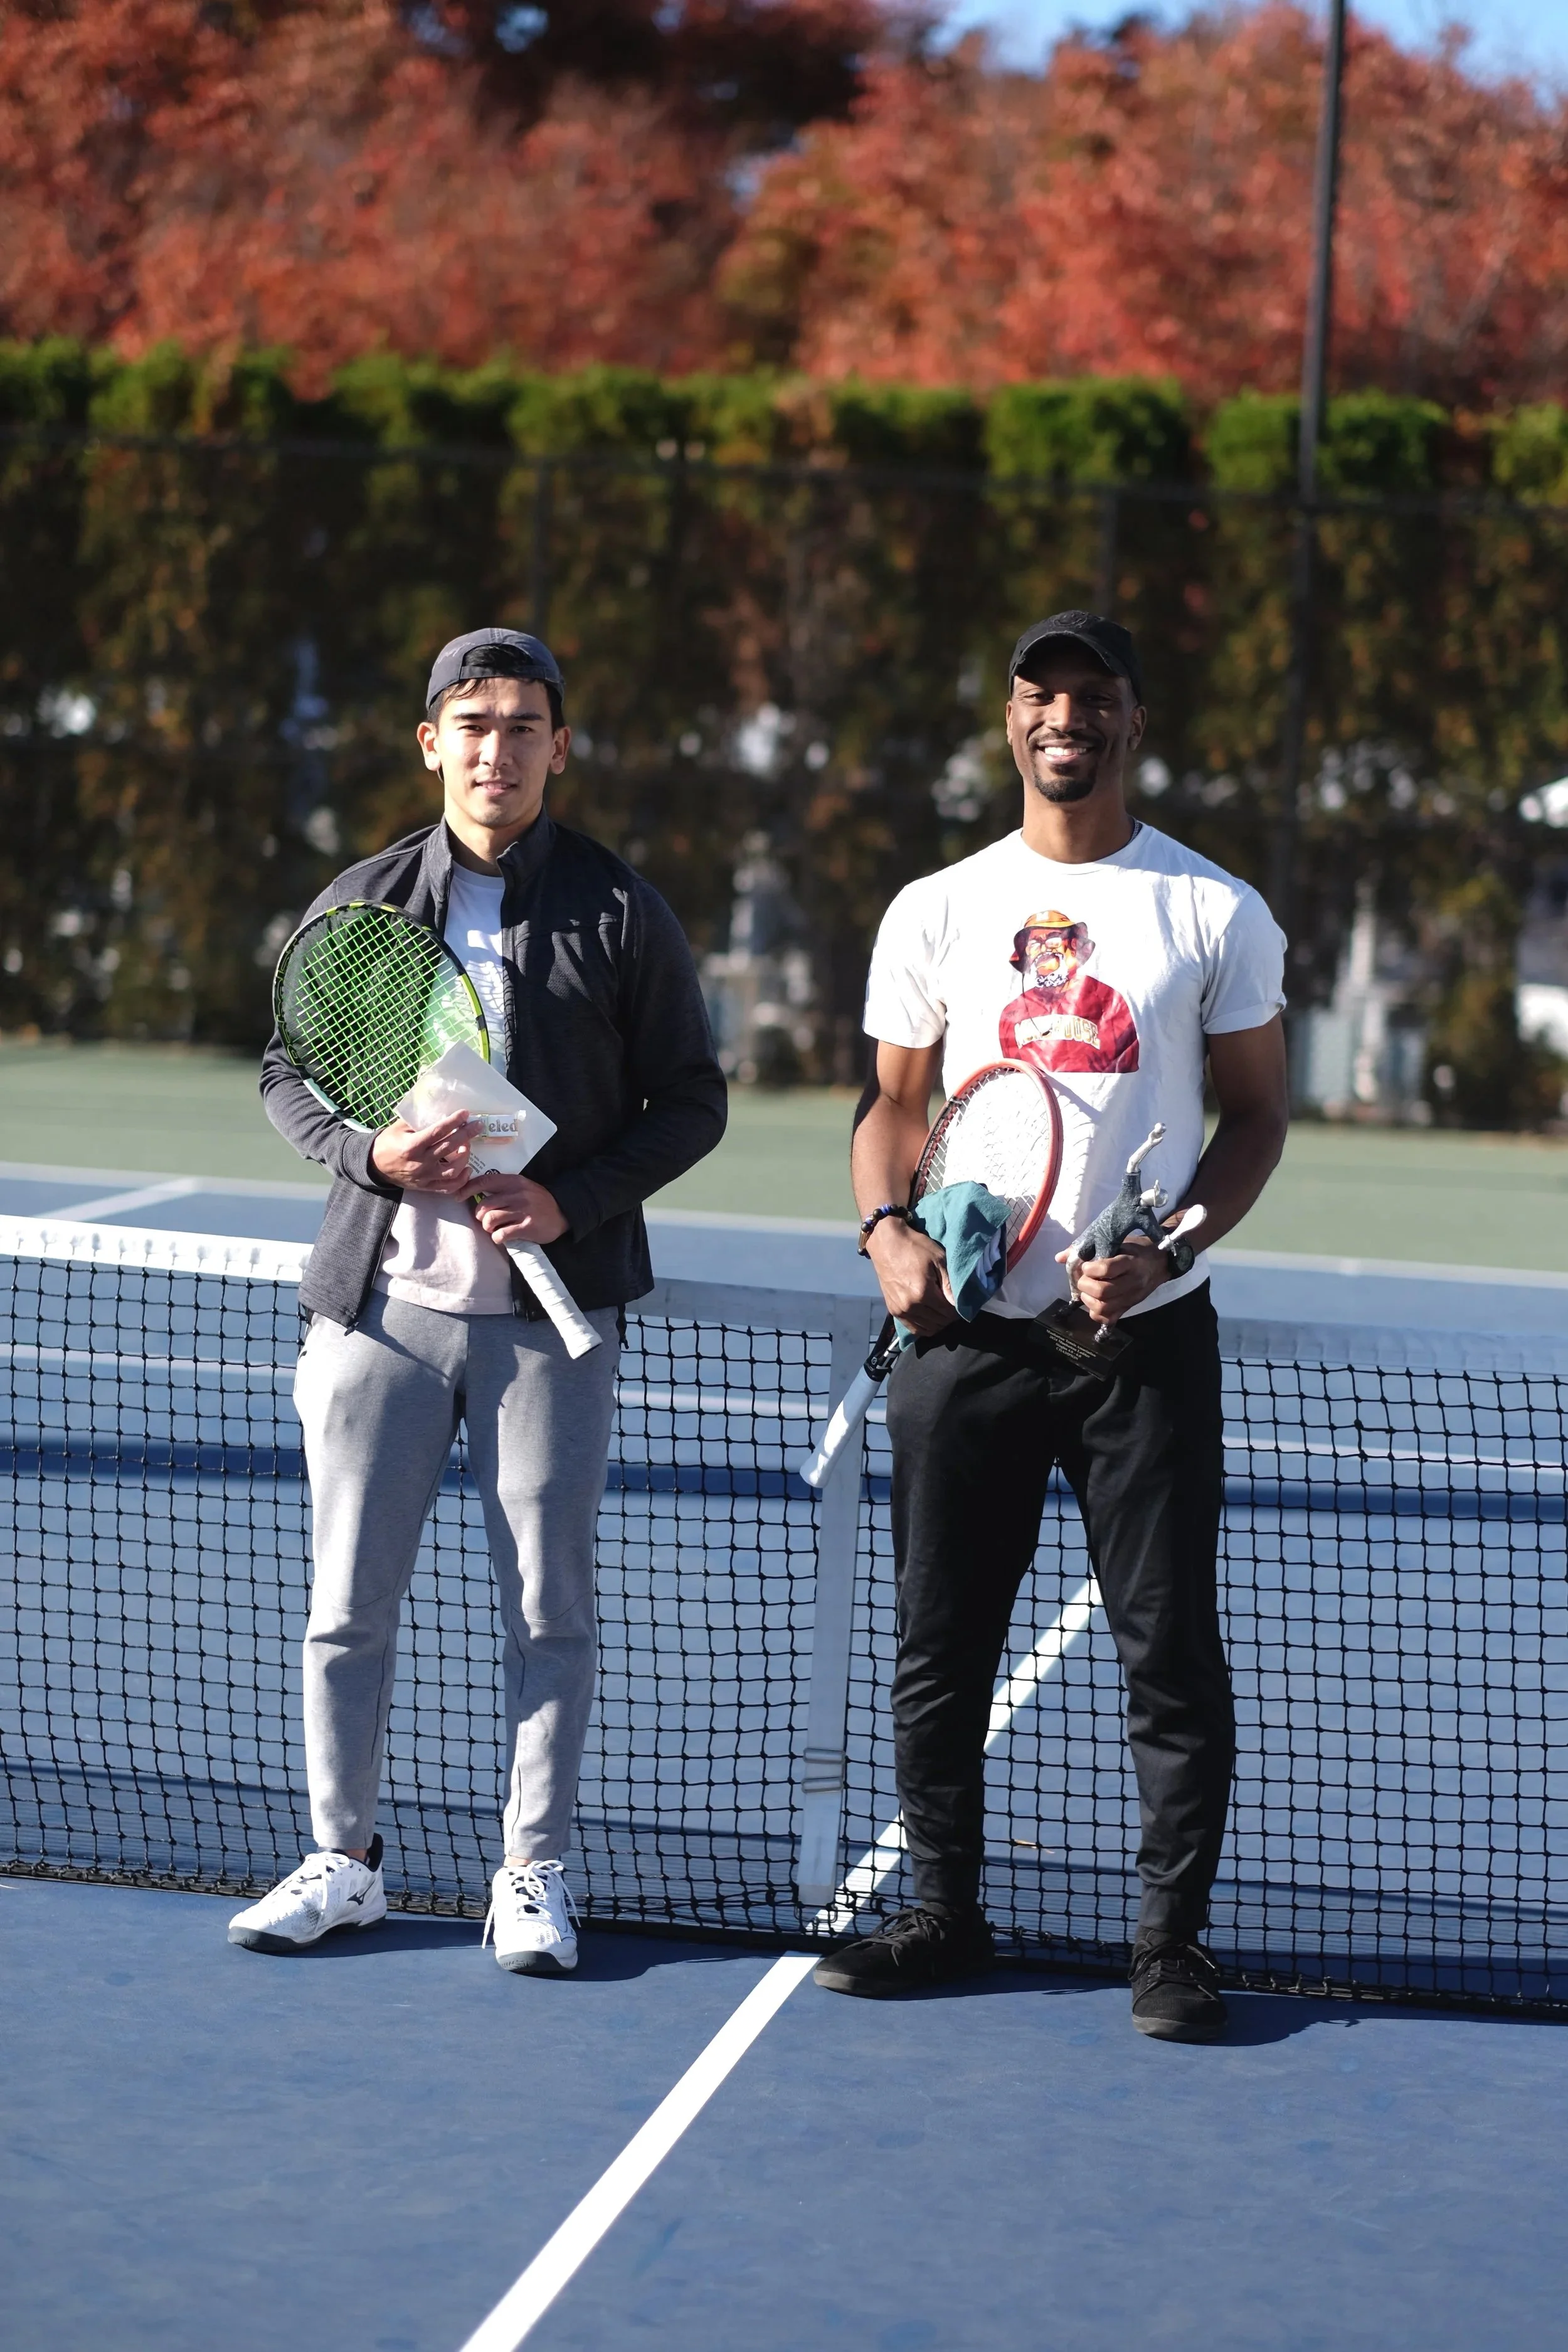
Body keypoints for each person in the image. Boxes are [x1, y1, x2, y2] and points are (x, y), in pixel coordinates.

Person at [813, 610, 1288, 2041]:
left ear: (1133, 721)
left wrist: (1168, 1244)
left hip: (1141, 1349)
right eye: (1038, 695)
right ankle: (943, 1913)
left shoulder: (1212, 911)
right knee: (936, 1644)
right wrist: (885, 1229)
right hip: (964, 1340)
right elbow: (896, 1106)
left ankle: (1169, 1949)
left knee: (1167, 1653)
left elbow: (1256, 1119)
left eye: (1090, 696)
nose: (1061, 718)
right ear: (1008, 718)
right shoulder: (936, 907)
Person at [229, 627, 726, 1973]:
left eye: (521, 725)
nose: (495, 748)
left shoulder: (621, 911)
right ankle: (344, 1860)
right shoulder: (368, 898)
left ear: (556, 748)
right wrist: (369, 1154)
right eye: (472, 722)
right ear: (430, 742)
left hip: (547, 1322)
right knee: (345, 1604)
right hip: (379, 1311)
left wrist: (574, 1199)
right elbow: (289, 1069)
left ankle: (531, 1871)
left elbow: (691, 1100)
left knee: (547, 1610)